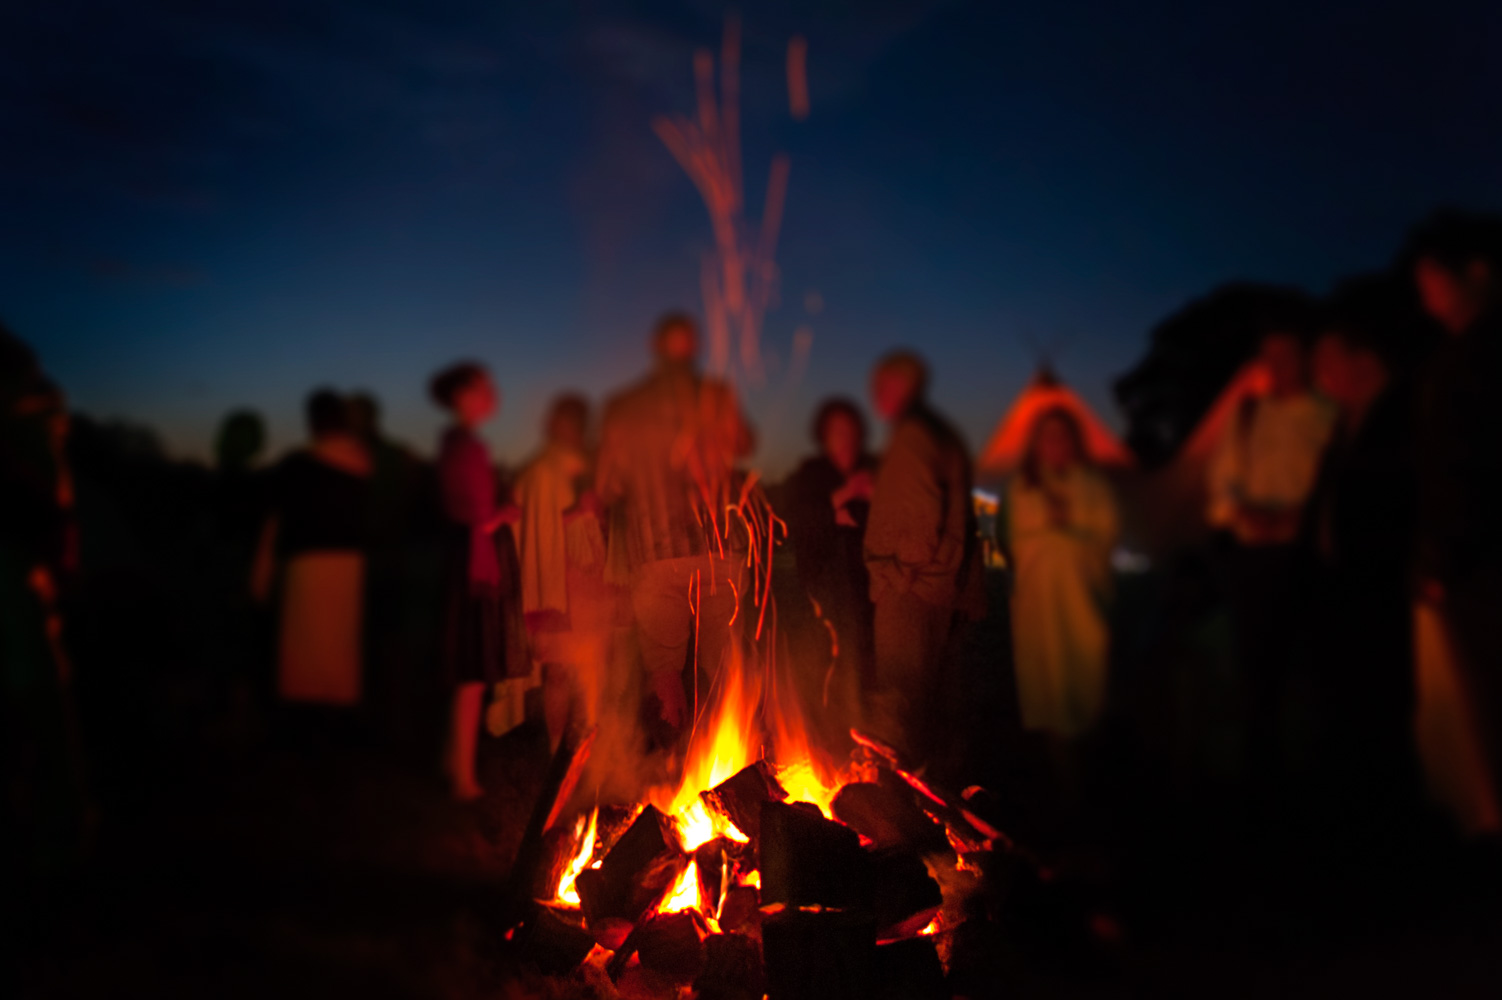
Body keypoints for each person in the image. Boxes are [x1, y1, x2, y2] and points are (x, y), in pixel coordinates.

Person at [596, 313, 755, 738]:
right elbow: (744, 443)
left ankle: (671, 759)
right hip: (719, 548)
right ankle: (727, 752)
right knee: (723, 665)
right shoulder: (716, 396)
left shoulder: (625, 408)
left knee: (665, 667)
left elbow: (607, 486)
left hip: (657, 554)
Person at [1303, 311, 1423, 828]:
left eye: (1329, 362)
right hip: (1342, 583)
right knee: (1347, 695)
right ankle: (1353, 802)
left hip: (1383, 581)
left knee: (1382, 697)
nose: (1320, 375)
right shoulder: (1344, 424)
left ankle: (1387, 809)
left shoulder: (1403, 419)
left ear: (1366, 361)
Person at [1205, 328, 1333, 787]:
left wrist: (1301, 517)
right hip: (1255, 556)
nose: (1278, 367)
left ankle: (1320, 767)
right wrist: (1245, 512)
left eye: (1287, 355)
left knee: (1317, 665)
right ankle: (1264, 774)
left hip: (1312, 555)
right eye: (1269, 357)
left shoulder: (1326, 414)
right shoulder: (1248, 415)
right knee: (1257, 669)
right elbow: (1222, 480)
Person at [1409, 211, 1502, 833]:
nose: (1427, 296)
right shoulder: (1453, 357)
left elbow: (1469, 466)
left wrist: (1446, 553)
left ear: (1477, 272)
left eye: (1433, 280)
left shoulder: (1482, 356)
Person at [863, 350, 984, 764]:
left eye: (883, 384)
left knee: (899, 701)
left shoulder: (912, 435)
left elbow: (919, 519)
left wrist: (896, 575)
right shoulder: (941, 436)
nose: (875, 393)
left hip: (911, 589)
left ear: (905, 385)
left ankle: (894, 802)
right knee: (925, 701)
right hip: (935, 587)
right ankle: (927, 790)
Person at [430, 362, 526, 800]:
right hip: (469, 566)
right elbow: (465, 514)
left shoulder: (463, 444)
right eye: (485, 389)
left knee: (469, 675)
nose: (494, 396)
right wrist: (501, 515)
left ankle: (454, 764)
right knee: (470, 674)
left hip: (471, 563)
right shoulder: (461, 445)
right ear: (463, 395)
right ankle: (462, 777)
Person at [1007, 408, 1119, 755]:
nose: (1054, 444)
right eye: (1047, 437)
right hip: (1039, 603)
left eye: (1061, 436)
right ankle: (1057, 766)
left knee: (1085, 682)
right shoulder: (1023, 487)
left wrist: (1064, 536)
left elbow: (1105, 538)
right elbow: (1016, 542)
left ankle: (1092, 756)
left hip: (1082, 602)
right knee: (1048, 685)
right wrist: (1051, 536)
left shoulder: (1092, 486)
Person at [252, 389, 372, 712]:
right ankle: (337, 707)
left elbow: (273, 523)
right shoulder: (363, 464)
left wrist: (262, 576)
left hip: (305, 565)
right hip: (350, 565)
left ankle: (304, 713)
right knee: (339, 646)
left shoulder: (296, 465)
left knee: (305, 648)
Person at [514, 393, 612, 752]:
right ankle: (559, 749)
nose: (570, 431)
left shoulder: (587, 466)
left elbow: (601, 522)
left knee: (592, 672)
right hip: (553, 582)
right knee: (557, 672)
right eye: (565, 423)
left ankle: (593, 750)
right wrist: (578, 513)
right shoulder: (541, 471)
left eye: (576, 424)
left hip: (588, 582)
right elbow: (532, 526)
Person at [782, 398, 877, 742]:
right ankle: (832, 733)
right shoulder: (813, 474)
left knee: (870, 657)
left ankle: (868, 732)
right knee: (835, 655)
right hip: (824, 586)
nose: (845, 437)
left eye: (850, 430)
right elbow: (796, 516)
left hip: (870, 582)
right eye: (837, 431)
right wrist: (840, 500)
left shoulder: (872, 469)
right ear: (825, 436)